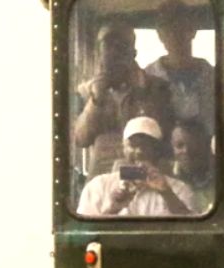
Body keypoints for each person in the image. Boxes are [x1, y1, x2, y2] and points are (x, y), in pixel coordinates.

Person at [73, 19, 174, 178]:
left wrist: (141, 92)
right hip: (102, 181)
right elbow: (81, 139)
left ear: (133, 53)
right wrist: (96, 100)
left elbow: (164, 135)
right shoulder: (85, 91)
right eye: (108, 45)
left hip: (146, 176)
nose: (115, 52)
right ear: (98, 52)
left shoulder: (158, 87)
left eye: (122, 46)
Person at [77, 117, 197, 217]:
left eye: (147, 145)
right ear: (123, 149)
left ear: (158, 151)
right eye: (133, 145)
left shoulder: (179, 189)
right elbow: (84, 232)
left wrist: (167, 194)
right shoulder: (98, 186)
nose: (139, 151)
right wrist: (112, 210)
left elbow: (192, 230)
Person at [147, 0, 215, 135]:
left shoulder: (215, 78)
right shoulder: (147, 78)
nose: (174, 34)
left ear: (193, 30)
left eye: (180, 26)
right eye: (167, 27)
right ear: (159, 34)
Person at [170, 119, 215, 214]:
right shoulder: (169, 179)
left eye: (193, 144)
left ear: (206, 145)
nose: (186, 151)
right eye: (179, 146)